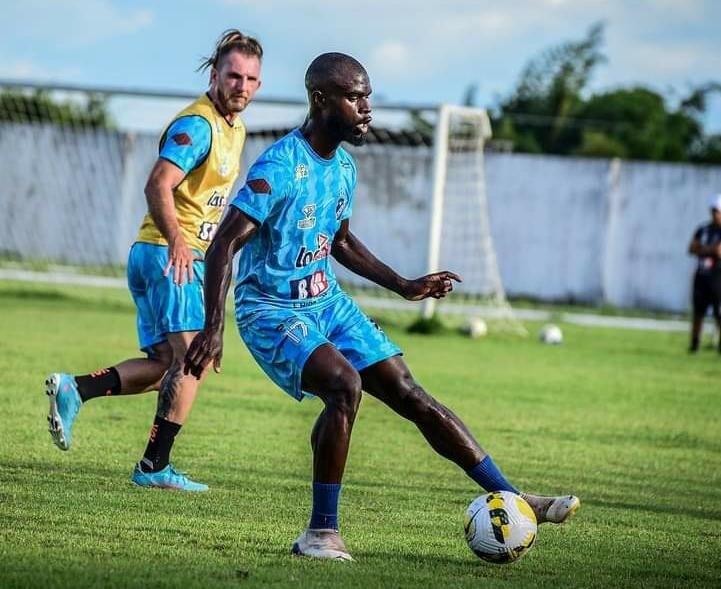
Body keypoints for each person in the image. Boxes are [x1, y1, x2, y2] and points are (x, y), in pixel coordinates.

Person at [184, 52, 580, 560]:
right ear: (321, 99)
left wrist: (403, 284)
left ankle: (510, 494)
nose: (367, 108)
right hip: (272, 311)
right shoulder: (280, 167)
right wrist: (214, 325)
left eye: (368, 96)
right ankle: (320, 533)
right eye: (355, 98)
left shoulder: (344, 167)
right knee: (345, 386)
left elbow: (340, 242)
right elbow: (223, 245)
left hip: (326, 302)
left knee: (409, 392)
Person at [45, 30, 263, 492]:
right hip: (170, 256)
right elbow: (158, 183)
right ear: (214, 75)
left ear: (258, 85)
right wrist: (180, 243)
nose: (241, 85)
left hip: (159, 256)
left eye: (250, 78)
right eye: (233, 75)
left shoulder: (233, 127)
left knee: (165, 364)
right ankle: (153, 467)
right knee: (194, 361)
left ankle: (76, 389)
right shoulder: (198, 124)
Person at [688, 193, 721, 353]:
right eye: (713, 210)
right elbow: (691, 248)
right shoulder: (703, 229)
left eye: (718, 211)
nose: (715, 214)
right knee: (698, 312)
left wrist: (702, 250)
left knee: (718, 312)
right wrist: (710, 250)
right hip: (701, 276)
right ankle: (694, 344)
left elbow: (719, 252)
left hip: (718, 277)